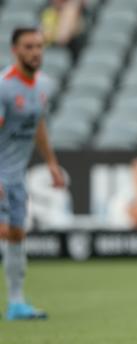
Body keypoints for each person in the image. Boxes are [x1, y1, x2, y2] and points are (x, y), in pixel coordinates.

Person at [0, 27, 65, 320]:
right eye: (28, 46)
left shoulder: (43, 85)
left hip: (16, 176)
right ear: (15, 50)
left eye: (39, 46)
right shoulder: (4, 88)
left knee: (16, 234)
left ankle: (15, 303)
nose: (35, 52)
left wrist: (51, 162)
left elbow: (38, 124)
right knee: (10, 233)